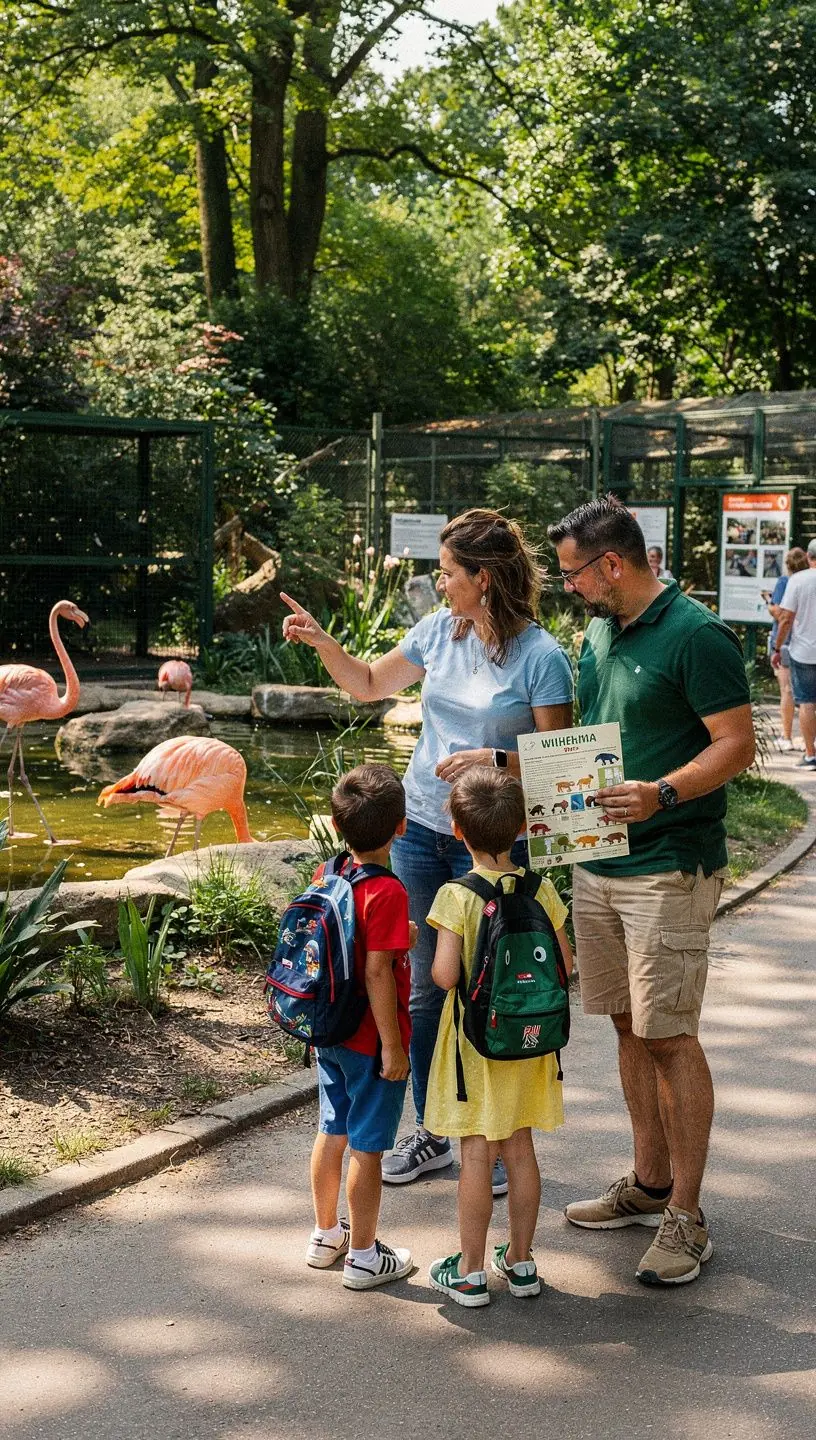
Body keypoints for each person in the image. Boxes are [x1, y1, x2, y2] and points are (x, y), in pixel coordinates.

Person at [281, 509, 573, 1193]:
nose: (440, 586)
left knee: (491, 989)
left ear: (483, 577)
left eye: (448, 574)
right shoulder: (437, 632)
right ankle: (436, 1132)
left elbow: (562, 765)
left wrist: (495, 758)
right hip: (418, 832)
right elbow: (367, 684)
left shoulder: (542, 656)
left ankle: (492, 1138)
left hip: (496, 844)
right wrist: (324, 642)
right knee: (418, 994)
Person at [547, 495, 755, 1287]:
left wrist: (662, 793)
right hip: (597, 862)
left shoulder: (697, 635)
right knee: (629, 1027)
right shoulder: (600, 630)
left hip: (670, 861)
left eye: (573, 573)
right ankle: (650, 1183)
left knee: (670, 1035)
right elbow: (588, 741)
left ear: (612, 564)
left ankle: (688, 1219)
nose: (569, 587)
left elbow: (735, 745)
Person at [424, 768, 572, 1308]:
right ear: (521, 829)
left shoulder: (455, 895)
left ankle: (468, 1272)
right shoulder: (543, 887)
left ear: (457, 830)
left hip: (475, 1048)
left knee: (477, 1156)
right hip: (529, 1042)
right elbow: (565, 964)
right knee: (522, 1148)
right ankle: (522, 1262)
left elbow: (444, 976)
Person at [306, 763, 414, 1291]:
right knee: (368, 1147)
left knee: (332, 1130)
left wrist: (401, 940)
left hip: (330, 1029)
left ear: (336, 823)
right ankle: (365, 1256)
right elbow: (377, 969)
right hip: (372, 1039)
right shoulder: (390, 891)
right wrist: (393, 1048)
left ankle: (326, 1236)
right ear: (402, 827)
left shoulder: (328, 873)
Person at [772, 538, 816, 770]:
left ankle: (811, 754)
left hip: (805, 651)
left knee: (807, 702)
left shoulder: (798, 580)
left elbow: (786, 618)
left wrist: (777, 648)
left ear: (809, 557)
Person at [765, 547, 808, 751]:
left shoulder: (785, 582)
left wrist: (768, 603)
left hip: (785, 642)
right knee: (809, 696)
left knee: (787, 691)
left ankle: (787, 736)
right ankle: (809, 739)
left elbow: (781, 614)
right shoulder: (810, 581)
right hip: (805, 643)